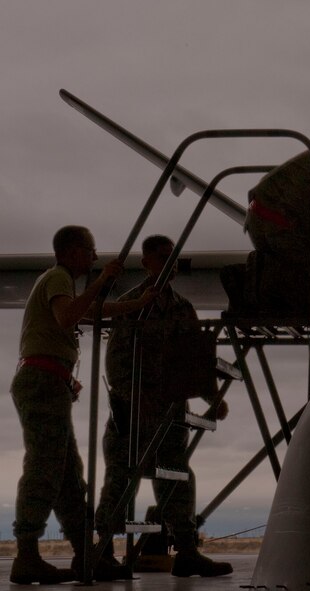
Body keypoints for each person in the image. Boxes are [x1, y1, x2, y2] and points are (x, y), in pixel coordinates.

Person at [10, 225, 156, 584]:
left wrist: (135, 305)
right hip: (43, 382)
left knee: (68, 476)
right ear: (73, 251)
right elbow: (69, 317)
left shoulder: (60, 284)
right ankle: (26, 555)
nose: (94, 258)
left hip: (49, 382)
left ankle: (85, 555)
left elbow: (87, 312)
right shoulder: (58, 277)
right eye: (91, 251)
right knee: (45, 466)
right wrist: (103, 280)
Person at [95, 234, 233, 578]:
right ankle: (102, 552)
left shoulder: (182, 308)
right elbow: (116, 363)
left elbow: (195, 359)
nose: (170, 264)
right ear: (146, 263)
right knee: (121, 480)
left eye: (173, 258)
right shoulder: (131, 305)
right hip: (134, 415)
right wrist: (133, 399)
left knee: (177, 477)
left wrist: (213, 397)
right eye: (162, 257)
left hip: (171, 415)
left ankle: (186, 551)